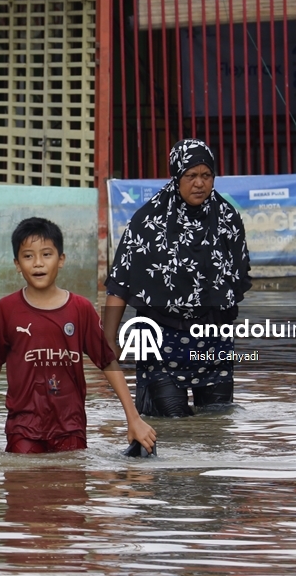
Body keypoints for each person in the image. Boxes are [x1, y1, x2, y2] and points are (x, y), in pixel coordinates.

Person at [0, 217, 156, 454]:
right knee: (21, 485)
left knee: (70, 486)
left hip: (70, 426)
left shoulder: (80, 309)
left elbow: (107, 362)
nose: (38, 263)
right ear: (17, 264)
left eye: (46, 254)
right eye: (28, 256)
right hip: (23, 427)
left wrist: (133, 419)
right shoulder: (7, 309)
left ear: (61, 260)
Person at [103, 138, 252, 417]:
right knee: (171, 423)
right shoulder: (147, 222)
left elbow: (236, 278)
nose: (199, 183)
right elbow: (120, 282)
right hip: (160, 338)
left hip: (212, 339)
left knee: (216, 423)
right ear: (176, 176)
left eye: (206, 175)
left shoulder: (228, 219)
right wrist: (108, 339)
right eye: (191, 176)